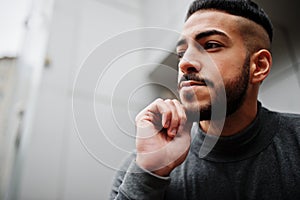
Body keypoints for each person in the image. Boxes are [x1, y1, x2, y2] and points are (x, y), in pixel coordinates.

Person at [110, 0, 300, 199]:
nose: (185, 63)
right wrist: (150, 175)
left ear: (259, 66)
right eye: (181, 54)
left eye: (211, 45)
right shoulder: (142, 168)